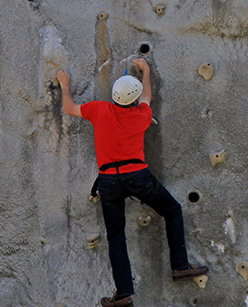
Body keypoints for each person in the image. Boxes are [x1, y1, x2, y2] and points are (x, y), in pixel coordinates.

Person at [56, 59, 208, 307]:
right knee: (172, 210)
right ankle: (180, 266)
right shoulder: (142, 114)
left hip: (108, 180)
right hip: (138, 177)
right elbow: (147, 95)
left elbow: (70, 108)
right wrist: (146, 71)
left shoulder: (99, 109)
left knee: (116, 236)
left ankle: (124, 293)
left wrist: (65, 85)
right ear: (134, 100)